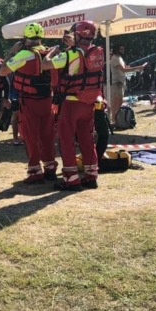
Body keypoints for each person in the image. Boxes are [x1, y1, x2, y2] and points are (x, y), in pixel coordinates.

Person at [42, 20, 104, 190]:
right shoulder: (97, 53)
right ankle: (91, 176)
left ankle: (71, 179)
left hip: (71, 104)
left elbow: (45, 65)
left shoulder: (69, 54)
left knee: (66, 140)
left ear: (78, 35)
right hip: (89, 103)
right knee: (87, 139)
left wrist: (52, 52)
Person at [0, 23, 58, 183]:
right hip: (47, 100)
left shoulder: (24, 54)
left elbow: (2, 71)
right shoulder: (48, 51)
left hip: (29, 101)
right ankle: (50, 168)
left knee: (30, 136)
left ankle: (35, 172)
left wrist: (12, 52)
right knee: (47, 135)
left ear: (25, 38)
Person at [109, 44, 147, 123]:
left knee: (119, 101)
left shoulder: (120, 58)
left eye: (123, 49)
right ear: (116, 50)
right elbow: (124, 70)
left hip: (121, 81)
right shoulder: (115, 58)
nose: (123, 51)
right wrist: (138, 67)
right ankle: (114, 119)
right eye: (121, 49)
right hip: (117, 82)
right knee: (116, 101)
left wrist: (138, 68)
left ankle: (117, 118)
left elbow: (126, 67)